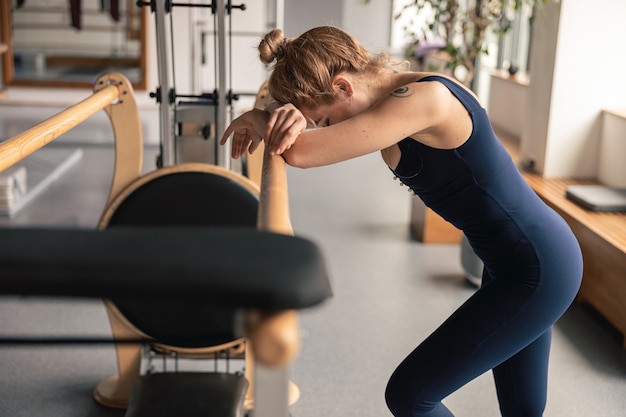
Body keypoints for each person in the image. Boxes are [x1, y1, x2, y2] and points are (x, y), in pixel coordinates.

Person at [220, 26, 583, 417]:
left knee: (411, 395)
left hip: (541, 266)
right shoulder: (391, 102)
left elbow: (300, 154)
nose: (324, 129)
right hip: (510, 264)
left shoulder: (426, 99)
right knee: (523, 410)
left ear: (342, 87)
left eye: (322, 120)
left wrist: (261, 117)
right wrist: (279, 112)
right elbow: (300, 142)